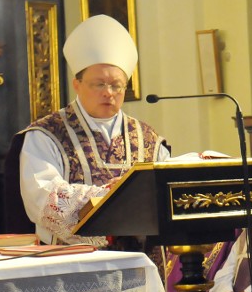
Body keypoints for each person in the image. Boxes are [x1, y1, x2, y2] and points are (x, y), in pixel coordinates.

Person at [15, 14, 170, 245]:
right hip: (74, 264)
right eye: (99, 84)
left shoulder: (148, 139)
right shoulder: (47, 134)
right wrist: (112, 198)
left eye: (117, 85)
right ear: (77, 84)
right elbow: (42, 197)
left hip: (142, 261)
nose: (108, 92)